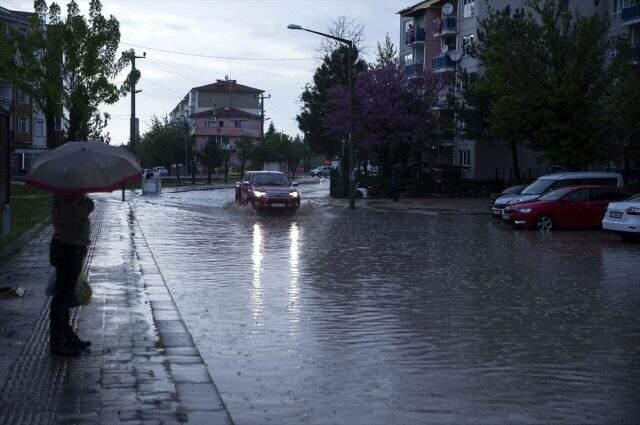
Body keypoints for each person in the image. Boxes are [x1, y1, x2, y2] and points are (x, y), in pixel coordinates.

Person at [49, 193, 94, 356]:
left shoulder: (72, 192)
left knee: (65, 296)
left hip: (72, 247)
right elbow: (68, 216)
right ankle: (58, 342)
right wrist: (87, 207)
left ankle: (67, 335)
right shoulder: (66, 193)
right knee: (61, 297)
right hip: (67, 248)